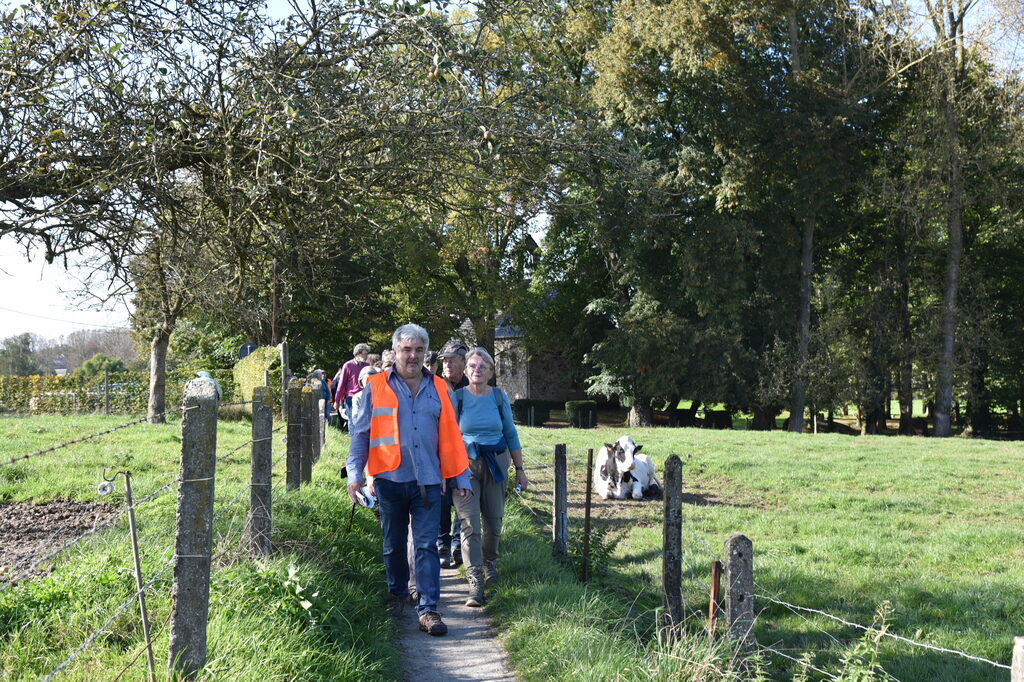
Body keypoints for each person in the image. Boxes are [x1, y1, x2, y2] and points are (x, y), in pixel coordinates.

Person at [346, 324, 472, 636]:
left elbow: (452, 436)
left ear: (425, 353)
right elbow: (360, 435)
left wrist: (460, 476)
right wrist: (355, 475)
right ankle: (398, 595)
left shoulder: (440, 387)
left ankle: (428, 608)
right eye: (406, 349)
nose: (412, 355)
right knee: (393, 544)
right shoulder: (375, 386)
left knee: (427, 545)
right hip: (388, 478)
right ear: (396, 351)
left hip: (429, 480)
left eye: (418, 350)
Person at [453, 347, 529, 607]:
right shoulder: (458, 398)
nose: (477, 370)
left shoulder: (498, 397)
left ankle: (489, 563)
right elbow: (448, 437)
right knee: (470, 524)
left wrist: (520, 470)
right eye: (472, 366)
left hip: (496, 463)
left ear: (490, 372)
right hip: (465, 467)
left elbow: (511, 433)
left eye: (482, 366)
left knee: (494, 524)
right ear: (466, 370)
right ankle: (475, 583)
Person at [436, 340, 469, 568]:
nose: (447, 364)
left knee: (461, 497)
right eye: (444, 360)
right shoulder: (436, 385)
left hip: (466, 453)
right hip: (440, 451)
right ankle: (442, 544)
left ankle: (458, 544)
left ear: (463, 362)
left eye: (451, 360)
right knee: (440, 498)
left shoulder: (472, 385)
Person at [334, 343, 370, 430]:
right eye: (365, 354)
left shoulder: (367, 366)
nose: (366, 356)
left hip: (365, 397)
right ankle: (353, 441)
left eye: (367, 354)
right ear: (358, 354)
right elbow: (341, 384)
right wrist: (337, 401)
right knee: (353, 421)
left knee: (364, 421)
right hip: (351, 397)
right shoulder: (348, 365)